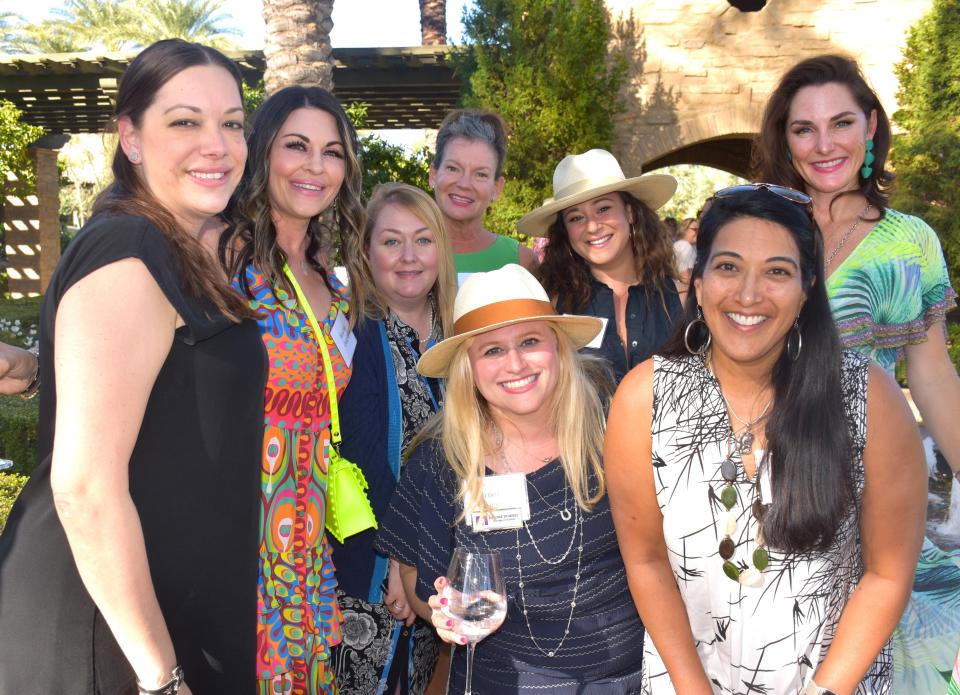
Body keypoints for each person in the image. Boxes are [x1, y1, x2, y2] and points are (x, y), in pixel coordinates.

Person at [0, 39, 264, 693]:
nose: (217, 143)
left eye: (231, 122)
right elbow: (85, 489)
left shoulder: (173, 245)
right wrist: (160, 675)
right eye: (184, 121)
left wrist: (41, 370)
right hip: (111, 634)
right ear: (131, 136)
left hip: (168, 612)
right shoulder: (130, 245)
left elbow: (162, 385)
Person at [605, 184, 926, 694]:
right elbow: (645, 561)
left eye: (777, 271)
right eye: (729, 267)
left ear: (806, 288)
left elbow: (887, 576)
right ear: (699, 280)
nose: (748, 295)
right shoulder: (643, 398)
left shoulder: (866, 398)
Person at [753, 54, 960, 692]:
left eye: (841, 123)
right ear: (783, 139)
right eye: (802, 129)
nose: (823, 145)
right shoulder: (755, 228)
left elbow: (931, 374)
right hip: (760, 486)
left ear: (870, 126)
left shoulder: (909, 242)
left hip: (876, 489)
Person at [376, 264, 647, 693]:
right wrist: (442, 611)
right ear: (469, 367)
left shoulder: (613, 429)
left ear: (558, 347)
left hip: (631, 680)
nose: (516, 363)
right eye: (492, 351)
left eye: (530, 341)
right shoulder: (443, 460)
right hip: (501, 684)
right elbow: (411, 575)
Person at [225, 85, 366, 694]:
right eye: (297, 146)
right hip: (239, 523)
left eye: (332, 152)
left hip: (306, 528)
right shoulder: (224, 260)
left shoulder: (330, 279)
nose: (316, 166)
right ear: (261, 153)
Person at [330, 183, 456, 694]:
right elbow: (344, 457)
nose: (409, 257)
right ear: (365, 251)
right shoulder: (346, 333)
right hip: (368, 569)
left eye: (424, 241)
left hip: (446, 566)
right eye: (391, 242)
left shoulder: (463, 334)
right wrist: (394, 566)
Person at [518, 148, 681, 383]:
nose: (592, 226)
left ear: (630, 212)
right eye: (576, 218)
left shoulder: (681, 297)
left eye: (603, 209)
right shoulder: (551, 306)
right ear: (565, 231)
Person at [429, 108, 538, 283]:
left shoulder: (521, 262)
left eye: (480, 174)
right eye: (453, 168)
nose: (464, 184)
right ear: (433, 175)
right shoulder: (403, 255)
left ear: (497, 188)